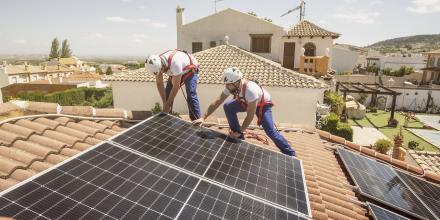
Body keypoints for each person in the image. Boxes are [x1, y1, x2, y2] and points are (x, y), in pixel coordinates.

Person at [193, 67, 295, 156]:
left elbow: (250, 116)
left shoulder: (250, 90)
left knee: (271, 131)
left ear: (236, 82)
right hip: (246, 101)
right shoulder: (232, 86)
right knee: (228, 106)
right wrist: (203, 117)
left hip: (262, 105)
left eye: (228, 85)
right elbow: (217, 101)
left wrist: (240, 130)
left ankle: (290, 152)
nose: (227, 87)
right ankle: (238, 136)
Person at [145, 50, 201, 120]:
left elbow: (175, 86)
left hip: (190, 70)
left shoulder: (175, 63)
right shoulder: (156, 65)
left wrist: (167, 105)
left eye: (161, 70)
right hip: (176, 71)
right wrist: (164, 102)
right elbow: (159, 83)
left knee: (190, 93)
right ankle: (167, 119)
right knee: (167, 95)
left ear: (162, 65)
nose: (161, 73)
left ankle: (196, 120)